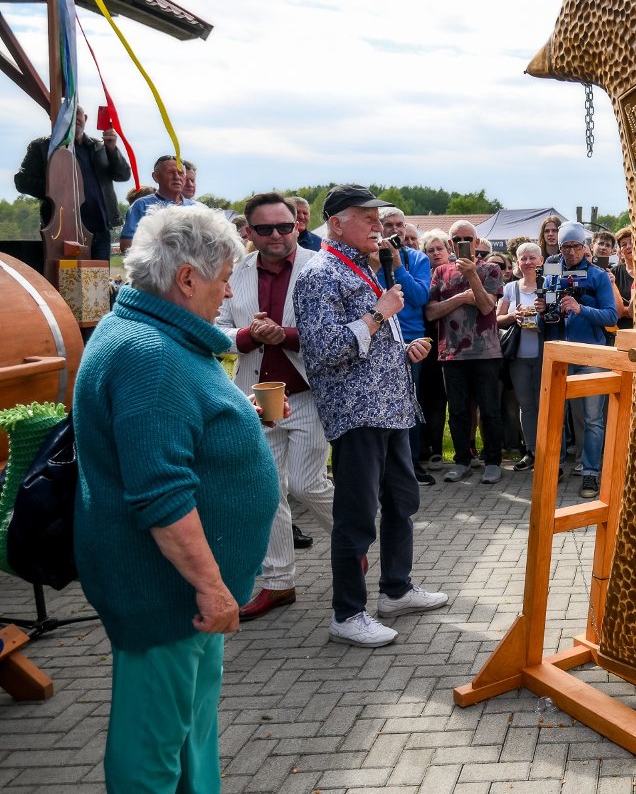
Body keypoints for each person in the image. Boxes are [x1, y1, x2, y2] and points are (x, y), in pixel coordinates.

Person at [74, 204, 278, 791]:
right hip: (168, 592)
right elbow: (161, 495)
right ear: (187, 278)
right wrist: (212, 588)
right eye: (223, 281)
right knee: (154, 745)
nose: (228, 295)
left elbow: (175, 438)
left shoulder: (159, 335)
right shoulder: (149, 354)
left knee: (190, 728)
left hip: (184, 592)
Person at [294, 184, 445, 648]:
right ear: (337, 224)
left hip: (392, 407)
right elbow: (324, 349)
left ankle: (396, 590)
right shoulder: (319, 273)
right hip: (358, 414)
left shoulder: (366, 267)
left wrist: (405, 348)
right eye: (367, 217)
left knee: (402, 501)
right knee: (356, 515)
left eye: (378, 218)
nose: (378, 226)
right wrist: (380, 314)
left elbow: (372, 341)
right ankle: (348, 613)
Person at [216, 191, 334, 621]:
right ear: (249, 232)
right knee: (267, 491)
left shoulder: (320, 268)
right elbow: (214, 327)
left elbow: (333, 333)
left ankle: (354, 543)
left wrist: (283, 334)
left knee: (307, 485)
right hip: (258, 394)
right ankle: (278, 582)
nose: (277, 235)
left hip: (307, 393)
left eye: (285, 226)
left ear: (298, 226)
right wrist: (248, 336)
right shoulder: (235, 272)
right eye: (264, 229)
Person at [535, 221, 618, 499]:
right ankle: (555, 468)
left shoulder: (597, 276)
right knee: (555, 415)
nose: (570, 252)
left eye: (575, 246)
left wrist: (581, 308)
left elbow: (611, 317)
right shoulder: (552, 273)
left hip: (591, 353)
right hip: (560, 353)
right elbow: (545, 320)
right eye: (564, 247)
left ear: (584, 247)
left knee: (593, 418)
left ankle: (591, 474)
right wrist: (541, 310)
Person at [426, 220, 505, 485]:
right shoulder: (439, 273)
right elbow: (431, 311)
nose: (462, 243)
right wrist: (460, 298)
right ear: (450, 244)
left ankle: (492, 461)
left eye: (467, 239)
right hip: (451, 353)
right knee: (458, 410)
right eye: (457, 239)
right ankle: (462, 460)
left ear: (476, 242)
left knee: (490, 410)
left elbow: (486, 308)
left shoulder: (491, 269)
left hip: (486, 352)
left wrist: (472, 276)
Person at [13, 104, 131, 263]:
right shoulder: (42, 147)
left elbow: (123, 175)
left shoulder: (99, 147)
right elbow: (22, 181)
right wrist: (55, 188)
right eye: (68, 113)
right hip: (62, 229)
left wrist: (112, 149)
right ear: (56, 117)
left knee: (97, 284)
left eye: (78, 114)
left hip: (99, 230)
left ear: (85, 119)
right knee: (66, 282)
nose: (74, 118)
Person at [376, 207, 435, 481]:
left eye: (400, 224)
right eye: (389, 224)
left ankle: (409, 464)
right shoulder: (371, 257)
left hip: (410, 338)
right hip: (376, 336)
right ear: (380, 227)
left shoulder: (418, 258)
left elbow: (420, 296)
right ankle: (382, 465)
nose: (395, 229)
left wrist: (398, 265)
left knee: (409, 402)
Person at [497, 241, 545, 472]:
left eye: (532, 258)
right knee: (526, 407)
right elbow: (497, 319)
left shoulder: (548, 286)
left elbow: (559, 317)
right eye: (523, 258)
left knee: (545, 405)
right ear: (517, 262)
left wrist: (542, 320)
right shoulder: (511, 288)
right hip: (519, 356)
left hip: (545, 356)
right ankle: (532, 451)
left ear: (541, 261)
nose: (527, 262)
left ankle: (552, 452)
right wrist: (513, 316)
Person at [417, 229, 452, 471]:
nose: (436, 253)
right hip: (425, 340)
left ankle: (437, 450)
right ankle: (422, 448)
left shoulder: (455, 274)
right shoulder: (422, 277)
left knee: (440, 400)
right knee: (424, 397)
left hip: (450, 341)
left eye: (440, 248)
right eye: (431, 250)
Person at [120, 155, 198, 252]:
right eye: (170, 172)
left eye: (180, 173)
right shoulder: (141, 206)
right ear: (156, 177)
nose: (176, 177)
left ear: (185, 178)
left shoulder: (196, 208)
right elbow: (126, 245)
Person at [614, 226, 636, 329]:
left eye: (632, 242)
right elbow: (616, 311)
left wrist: (624, 310)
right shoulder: (614, 273)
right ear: (620, 251)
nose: (628, 246)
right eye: (624, 244)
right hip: (622, 328)